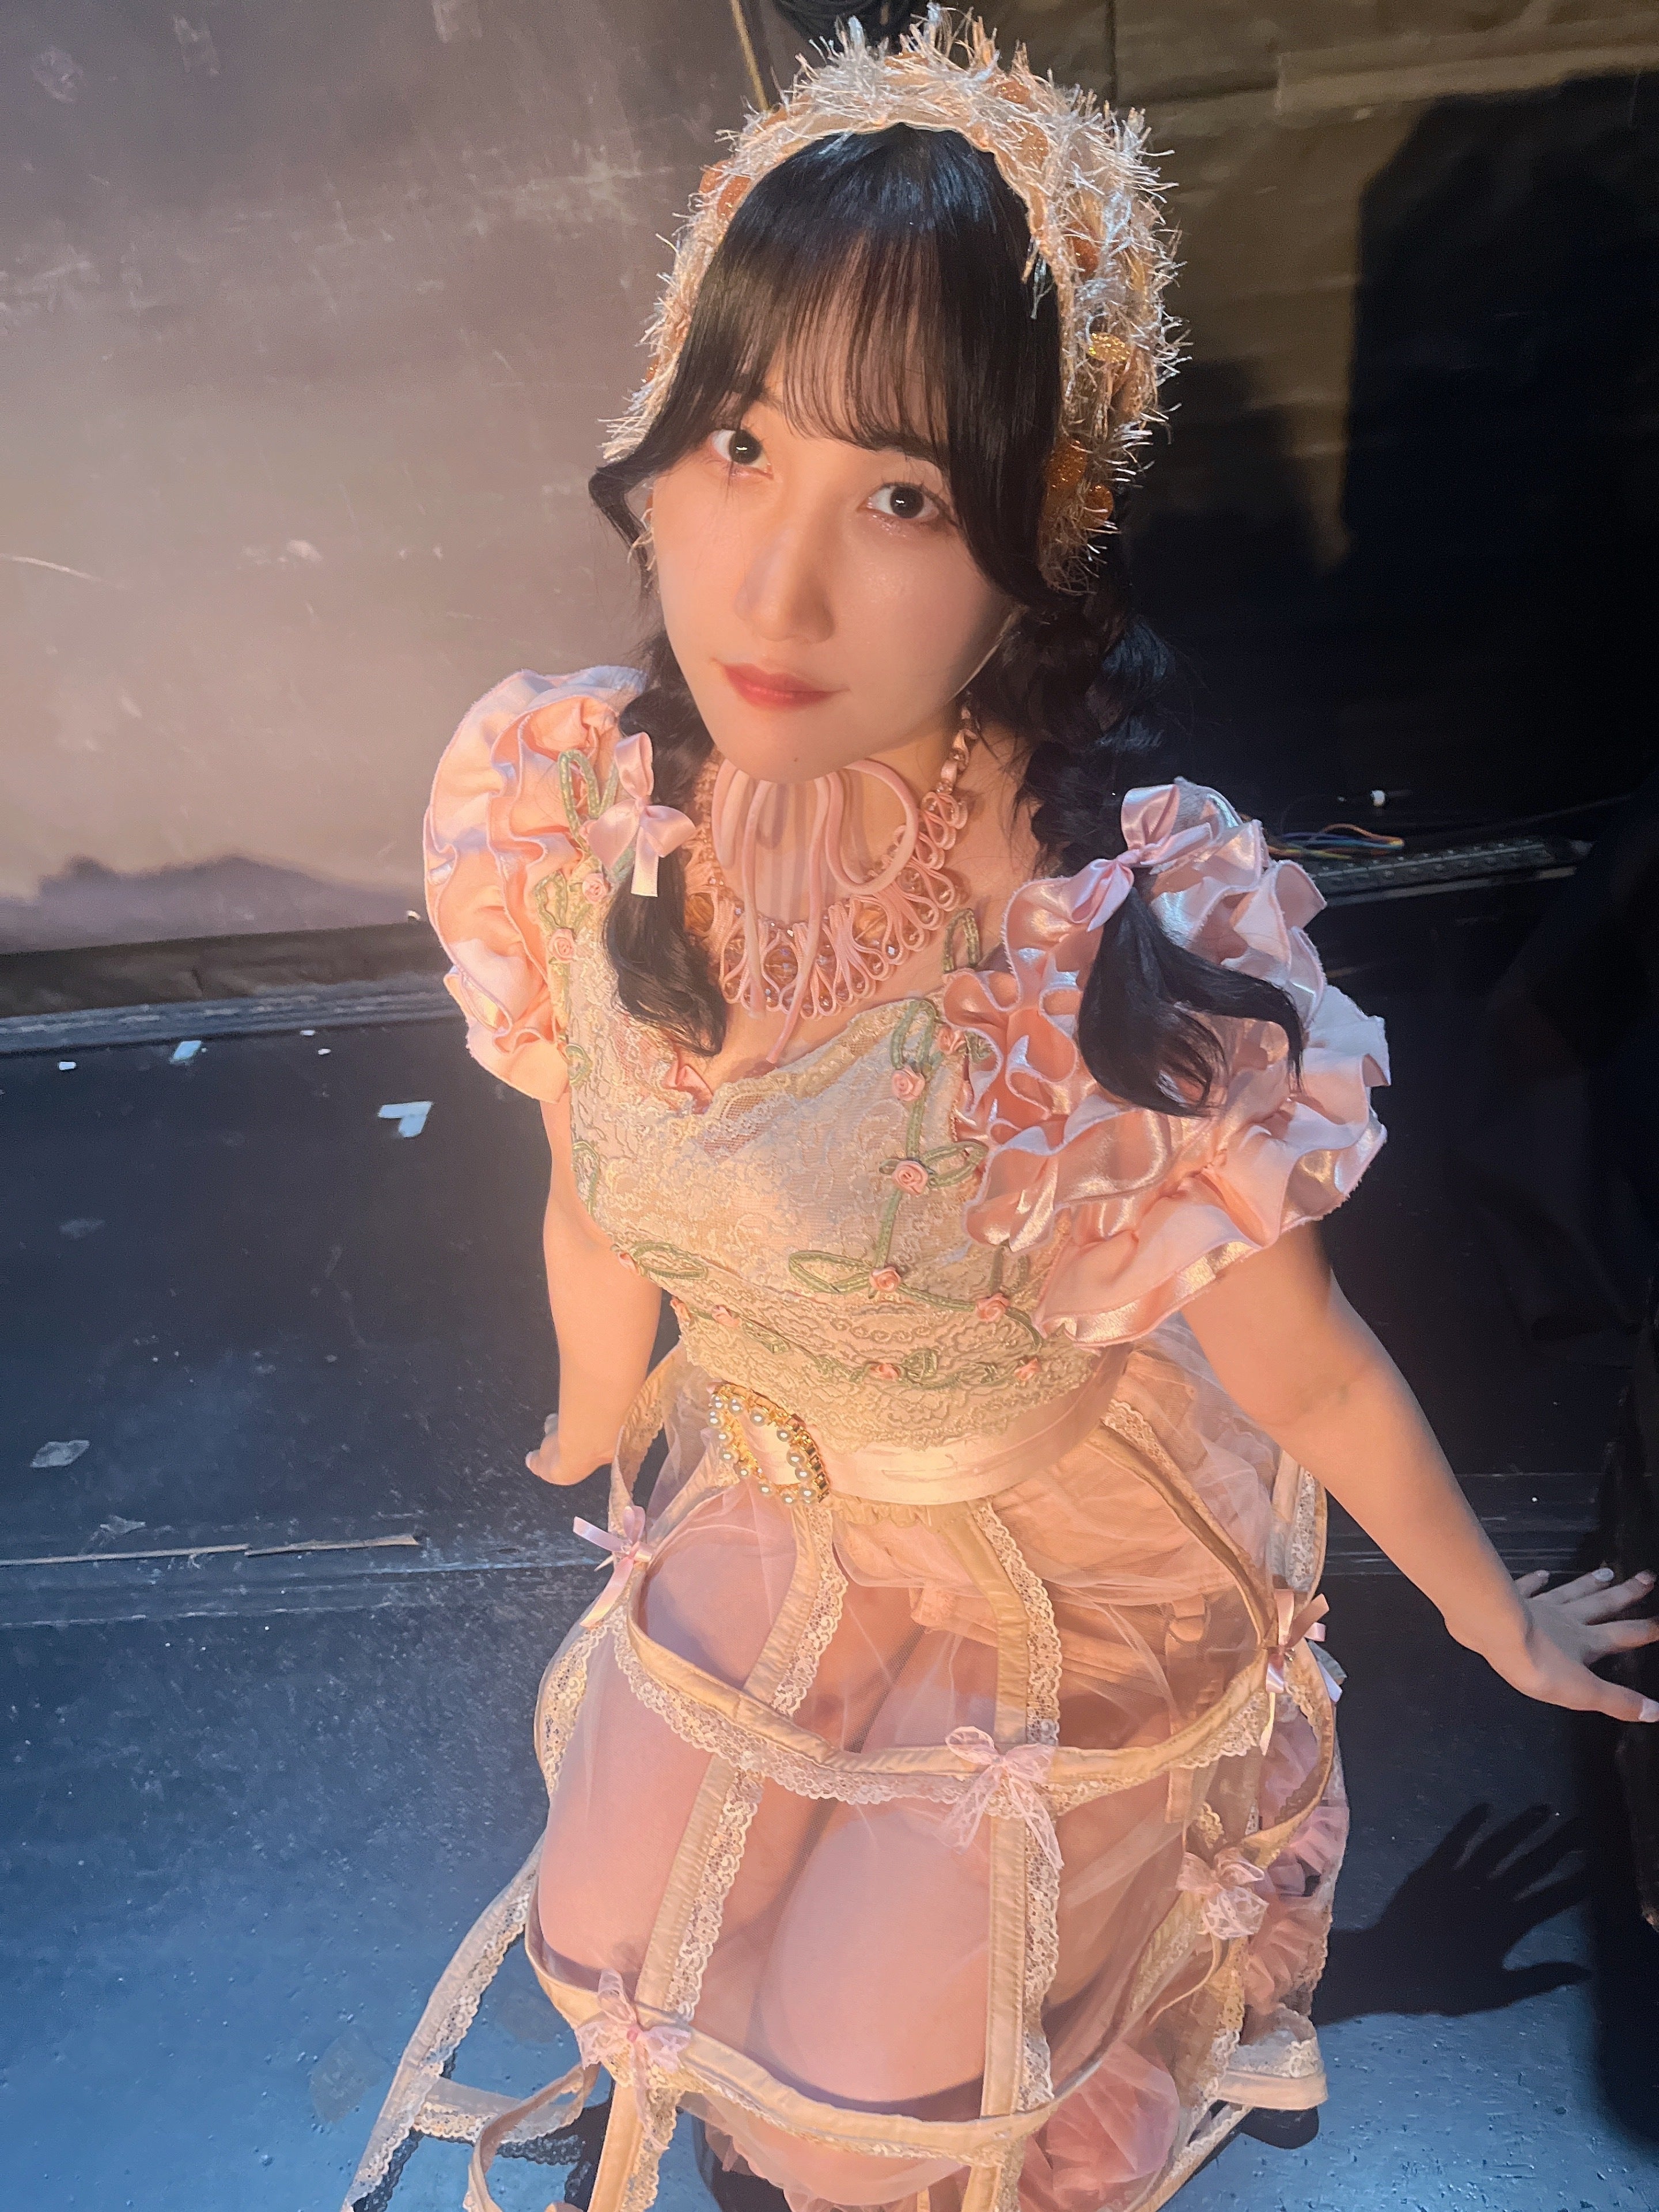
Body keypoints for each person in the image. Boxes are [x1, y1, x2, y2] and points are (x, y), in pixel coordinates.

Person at [347, 16, 1659, 2212]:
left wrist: (1492, 1620)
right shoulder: (571, 803)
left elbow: (1306, 1368)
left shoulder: (1100, 932)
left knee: (871, 2086)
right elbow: (591, 1185)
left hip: (1033, 1543)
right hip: (773, 1471)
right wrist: (588, 1416)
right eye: (739, 444)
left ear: (1032, 538)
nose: (773, 589)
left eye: (903, 496)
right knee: (609, 1942)